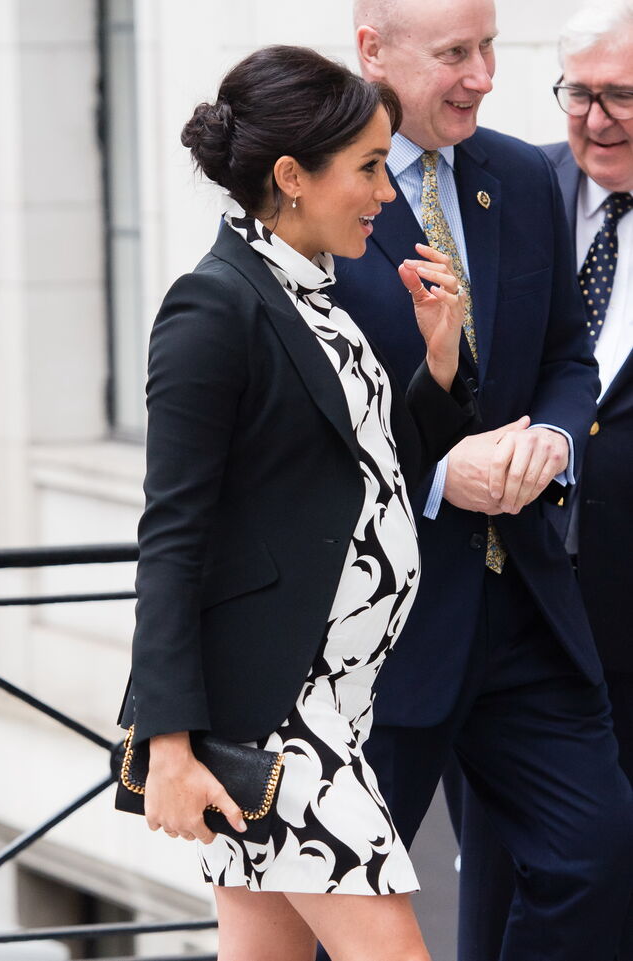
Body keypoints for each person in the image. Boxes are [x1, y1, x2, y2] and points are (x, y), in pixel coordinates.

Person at [118, 44, 478, 961]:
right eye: (367, 169)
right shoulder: (213, 307)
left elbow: (373, 469)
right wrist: (165, 745)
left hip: (338, 706)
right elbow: (172, 533)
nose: (386, 195)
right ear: (291, 176)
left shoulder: (315, 295)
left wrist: (440, 364)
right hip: (280, 719)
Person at [316, 2, 633, 960]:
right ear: (373, 51)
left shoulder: (525, 176)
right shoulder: (312, 193)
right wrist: (444, 471)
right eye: (456, 54)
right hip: (381, 622)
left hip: (530, 605)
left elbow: (568, 359)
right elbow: (304, 407)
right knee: (344, 904)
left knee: (595, 855)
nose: (484, 75)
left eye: (490, 48)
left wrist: (552, 439)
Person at [449, 3, 633, 958]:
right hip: (516, 605)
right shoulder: (519, 184)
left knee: (607, 871)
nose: (597, 119)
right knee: (503, 873)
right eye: (579, 95)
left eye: (623, 96)